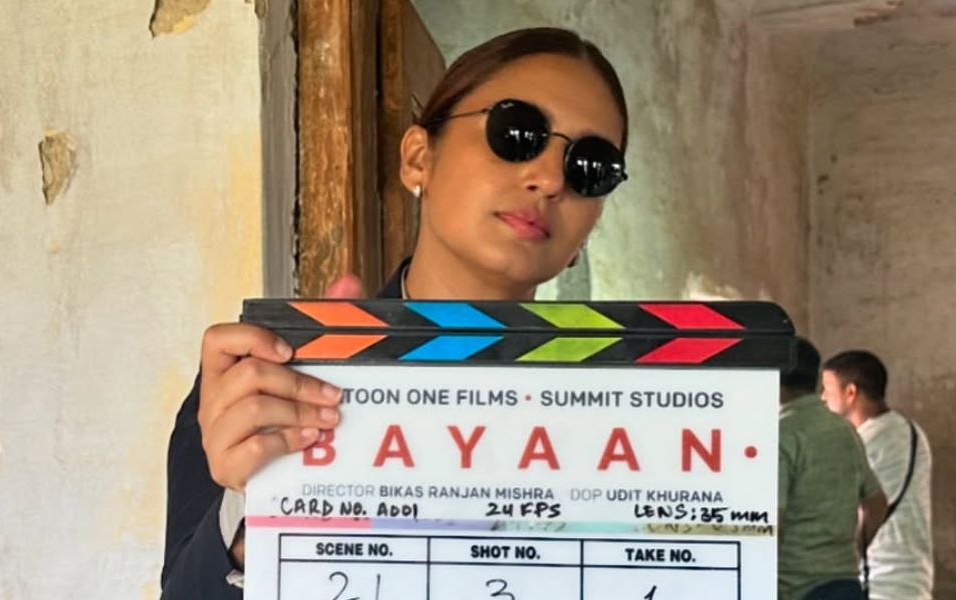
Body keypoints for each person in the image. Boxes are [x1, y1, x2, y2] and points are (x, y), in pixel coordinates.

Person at [160, 27, 630, 598]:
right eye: (517, 133)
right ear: (417, 158)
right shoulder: (264, 384)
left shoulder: (637, 409)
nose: (551, 179)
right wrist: (254, 519)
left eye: (591, 167)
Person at [779, 339, 889, 600]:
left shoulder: (781, 435)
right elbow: (877, 503)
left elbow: (774, 523)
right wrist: (851, 554)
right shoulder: (844, 430)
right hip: (844, 583)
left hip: (796, 588)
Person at [821, 350, 934, 600]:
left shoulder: (868, 441)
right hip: (909, 580)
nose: (823, 397)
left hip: (883, 581)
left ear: (850, 392)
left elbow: (858, 512)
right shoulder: (910, 432)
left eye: (827, 389)